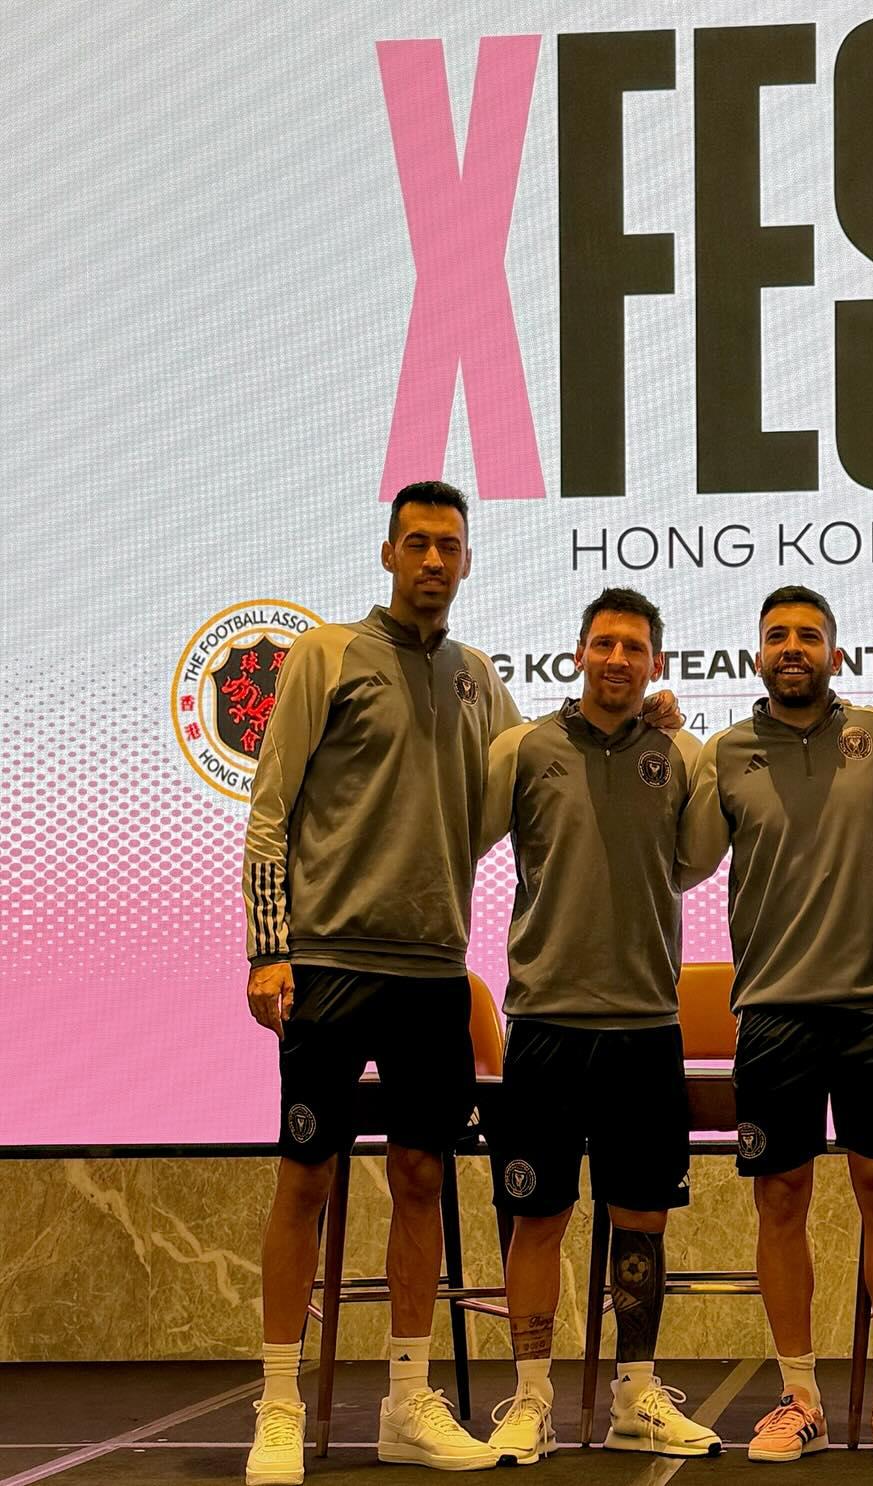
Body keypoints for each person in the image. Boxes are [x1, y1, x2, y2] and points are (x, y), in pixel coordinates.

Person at [241, 481, 519, 1483]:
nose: (434, 560)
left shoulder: (479, 679)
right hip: (326, 966)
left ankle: (406, 1403)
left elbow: (537, 776)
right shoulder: (326, 655)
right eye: (417, 543)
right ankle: (278, 1405)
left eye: (449, 545)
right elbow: (270, 812)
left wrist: (643, 722)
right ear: (389, 553)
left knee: (421, 1179)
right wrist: (267, 949)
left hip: (433, 974)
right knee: (305, 1177)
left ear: (467, 560)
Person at [679, 585, 873, 1467]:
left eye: (810, 636)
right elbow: (683, 863)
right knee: (780, 1199)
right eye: (778, 635)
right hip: (773, 1010)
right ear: (757, 656)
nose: (794, 647)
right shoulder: (726, 753)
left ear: (837, 654)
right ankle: (801, 1400)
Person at [478, 587, 721, 1466]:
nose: (618, 659)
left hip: (646, 1026)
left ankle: (635, 1396)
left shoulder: (680, 755)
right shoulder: (523, 748)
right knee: (536, 1215)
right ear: (578, 653)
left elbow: (691, 862)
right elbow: (465, 838)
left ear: (658, 662)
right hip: (544, 1023)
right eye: (604, 644)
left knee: (642, 1219)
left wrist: (675, 734)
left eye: (635, 647)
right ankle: (531, 1400)